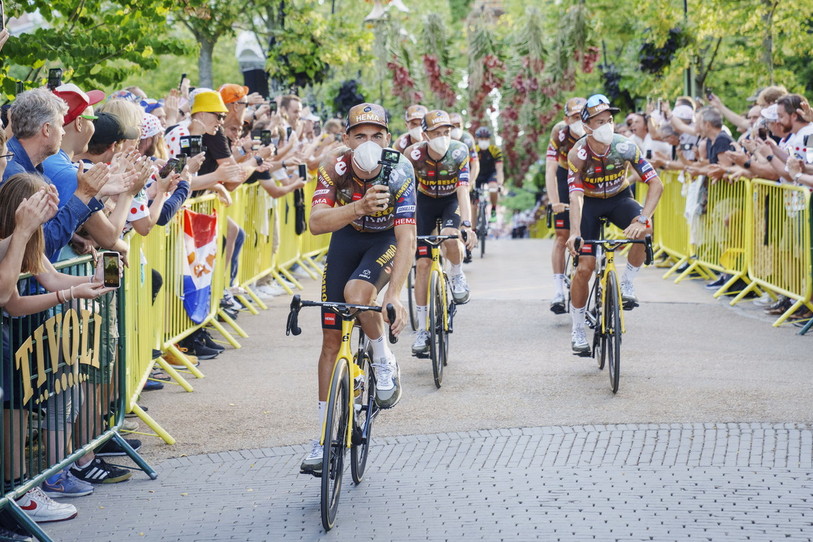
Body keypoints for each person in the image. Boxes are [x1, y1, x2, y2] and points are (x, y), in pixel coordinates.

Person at [302, 102, 416, 473]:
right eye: (360, 135)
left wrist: (395, 295)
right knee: (331, 342)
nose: (369, 142)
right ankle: (322, 439)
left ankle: (383, 359)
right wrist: (359, 207)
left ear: (388, 139)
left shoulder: (400, 170)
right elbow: (317, 223)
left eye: (377, 136)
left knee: (357, 295)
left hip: (384, 242)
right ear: (347, 140)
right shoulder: (334, 165)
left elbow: (407, 238)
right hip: (346, 239)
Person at [565, 94, 663, 355]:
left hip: (619, 197)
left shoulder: (625, 146)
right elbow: (575, 196)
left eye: (609, 120)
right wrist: (575, 232)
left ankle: (628, 282)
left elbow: (656, 183)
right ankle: (577, 327)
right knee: (585, 267)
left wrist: (642, 218)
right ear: (587, 127)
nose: (607, 125)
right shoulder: (578, 154)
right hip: (590, 203)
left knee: (646, 229)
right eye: (600, 121)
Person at [3, 89, 111, 260]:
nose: (63, 132)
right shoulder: (14, 174)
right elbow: (40, 247)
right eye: (60, 125)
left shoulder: (31, 169)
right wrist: (82, 196)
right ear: (46, 129)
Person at [405, 110, 476, 356]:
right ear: (424, 135)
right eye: (437, 133)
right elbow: (406, 193)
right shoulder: (412, 155)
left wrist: (466, 224)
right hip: (424, 201)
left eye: (446, 132)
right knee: (423, 264)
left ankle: (456, 272)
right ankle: (422, 329)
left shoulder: (459, 151)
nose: (443, 137)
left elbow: (463, 189)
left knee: (449, 235)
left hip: (450, 201)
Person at [545, 97, 586, 314]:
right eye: (575, 118)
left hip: (588, 176)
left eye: (583, 117)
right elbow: (550, 169)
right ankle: (558, 290)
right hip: (564, 174)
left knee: (588, 229)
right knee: (562, 234)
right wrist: (554, 202)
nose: (580, 121)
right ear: (566, 119)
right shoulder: (559, 133)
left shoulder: (594, 130)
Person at [473, 126, 504, 223]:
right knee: (473, 202)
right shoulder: (473, 150)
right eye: (481, 139)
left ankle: (493, 210)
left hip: (490, 174)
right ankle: (473, 226)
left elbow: (499, 169)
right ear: (477, 139)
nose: (483, 141)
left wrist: (500, 183)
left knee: (493, 187)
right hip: (477, 175)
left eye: (486, 138)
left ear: (489, 139)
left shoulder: (495, 150)